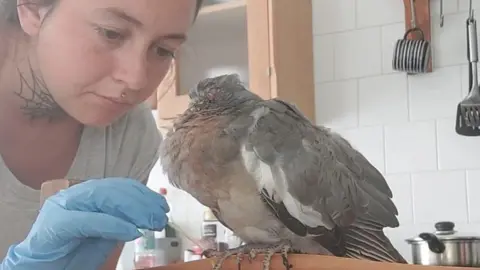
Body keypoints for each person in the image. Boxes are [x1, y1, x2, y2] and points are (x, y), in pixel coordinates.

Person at [0, 0, 203, 269]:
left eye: (163, 50)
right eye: (112, 33)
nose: (136, 79)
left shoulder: (131, 135)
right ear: (31, 7)